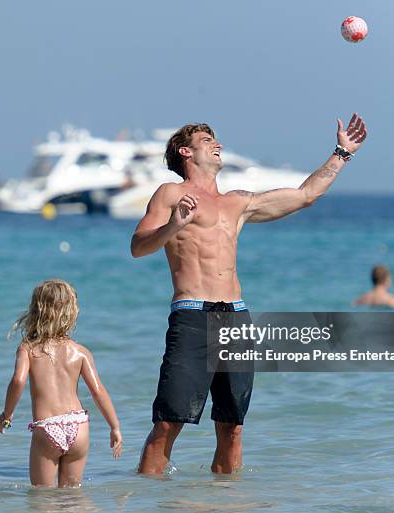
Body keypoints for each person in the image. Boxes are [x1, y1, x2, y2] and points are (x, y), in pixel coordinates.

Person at [131, 114, 367, 475]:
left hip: (236, 318)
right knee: (168, 423)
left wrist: (341, 153)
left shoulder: (237, 203)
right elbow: (138, 246)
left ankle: (226, 501)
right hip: (193, 314)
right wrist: (174, 224)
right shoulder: (170, 194)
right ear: (185, 152)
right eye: (207, 140)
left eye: (216, 139)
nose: (217, 144)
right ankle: (146, 499)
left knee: (233, 427)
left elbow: (305, 196)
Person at [0, 279, 123, 487]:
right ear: (71, 313)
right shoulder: (80, 352)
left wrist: (7, 415)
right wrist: (114, 427)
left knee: (42, 498)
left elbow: (18, 381)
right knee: (72, 498)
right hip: (78, 426)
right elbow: (98, 391)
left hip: (48, 428)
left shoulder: (28, 349)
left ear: (36, 311)